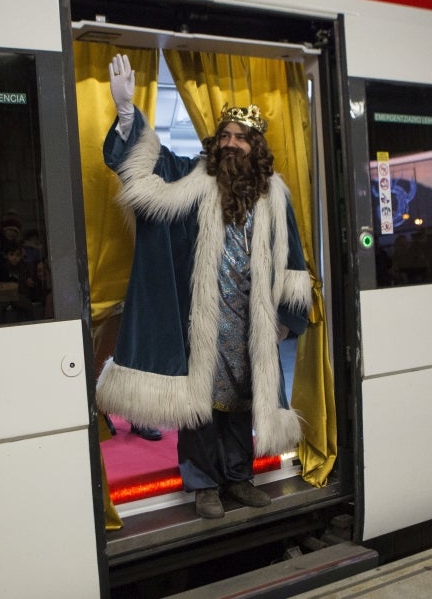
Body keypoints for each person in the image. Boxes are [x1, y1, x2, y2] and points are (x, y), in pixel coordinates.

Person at [96, 54, 312, 519]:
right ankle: (203, 485)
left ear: (257, 147)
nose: (232, 144)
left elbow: (292, 257)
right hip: (204, 317)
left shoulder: (275, 194)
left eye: (241, 138)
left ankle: (238, 478)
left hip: (251, 318)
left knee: (241, 402)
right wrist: (129, 114)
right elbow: (143, 166)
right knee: (201, 406)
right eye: (226, 136)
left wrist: (287, 318)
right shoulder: (193, 178)